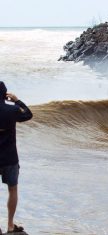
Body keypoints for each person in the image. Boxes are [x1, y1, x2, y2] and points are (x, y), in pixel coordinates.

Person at [0, 81, 33, 234]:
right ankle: (10, 225)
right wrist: (17, 101)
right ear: (5, 95)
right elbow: (28, 114)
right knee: (12, 189)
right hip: (10, 158)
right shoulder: (12, 110)